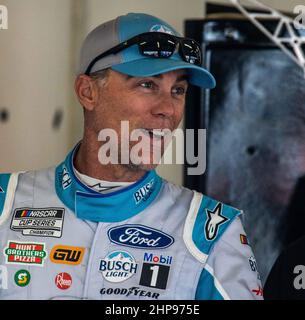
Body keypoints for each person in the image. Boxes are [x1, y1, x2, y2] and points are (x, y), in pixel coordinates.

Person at [0, 12, 262, 300]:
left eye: (178, 90)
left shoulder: (211, 231)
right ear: (87, 92)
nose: (168, 109)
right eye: (147, 84)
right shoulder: (5, 202)